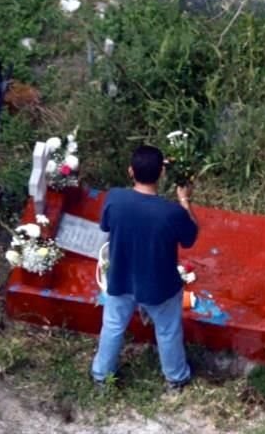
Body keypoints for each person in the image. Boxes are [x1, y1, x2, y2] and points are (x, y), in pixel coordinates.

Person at [91, 144, 199, 391]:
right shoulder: (171, 212)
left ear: (131, 171)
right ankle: (176, 377)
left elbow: (105, 227)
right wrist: (184, 199)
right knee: (168, 331)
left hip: (120, 277)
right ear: (162, 173)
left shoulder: (115, 198)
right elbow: (190, 238)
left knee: (113, 326)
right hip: (159, 284)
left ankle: (101, 376)